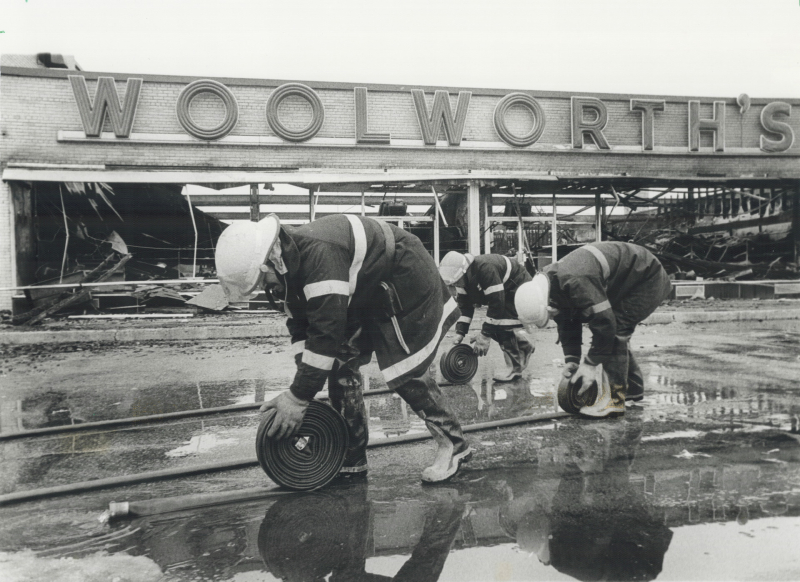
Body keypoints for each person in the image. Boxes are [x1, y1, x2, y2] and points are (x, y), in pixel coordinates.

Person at [214, 213, 473, 483]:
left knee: (404, 371)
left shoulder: (319, 255)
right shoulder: (288, 267)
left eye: (261, 283)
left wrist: (298, 397)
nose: (265, 290)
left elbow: (326, 332)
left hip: (402, 274)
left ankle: (454, 445)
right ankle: (351, 456)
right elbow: (302, 328)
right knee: (338, 365)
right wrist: (304, 384)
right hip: (366, 288)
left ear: (269, 264)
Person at [515, 242, 671, 418]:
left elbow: (605, 324)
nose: (552, 318)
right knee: (616, 333)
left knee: (616, 331)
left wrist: (590, 364)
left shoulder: (576, 280)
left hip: (648, 279)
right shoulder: (550, 286)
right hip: (627, 279)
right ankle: (632, 391)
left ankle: (615, 400)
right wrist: (572, 359)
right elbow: (567, 319)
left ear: (547, 307)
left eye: (549, 316)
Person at [438, 251, 535, 382]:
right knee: (492, 326)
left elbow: (497, 304)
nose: (455, 286)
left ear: (465, 272)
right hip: (504, 294)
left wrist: (484, 336)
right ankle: (523, 345)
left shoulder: (485, 269)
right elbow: (465, 308)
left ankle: (514, 369)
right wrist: (460, 332)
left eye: (456, 282)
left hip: (519, 289)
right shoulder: (463, 280)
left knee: (500, 326)